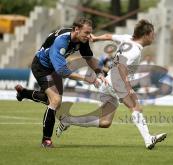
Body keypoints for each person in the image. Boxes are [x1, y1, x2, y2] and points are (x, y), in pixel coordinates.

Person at [56, 19, 167, 150]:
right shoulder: (135, 51)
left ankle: (68, 120)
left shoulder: (127, 38)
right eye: (153, 34)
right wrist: (129, 88)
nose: (154, 37)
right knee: (136, 107)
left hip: (109, 81)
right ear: (146, 34)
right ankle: (149, 139)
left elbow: (109, 36)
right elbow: (121, 67)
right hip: (116, 82)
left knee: (105, 122)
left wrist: (96, 38)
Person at [15, 17, 106, 148]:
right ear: (76, 29)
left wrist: (99, 72)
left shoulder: (82, 39)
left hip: (54, 68)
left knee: (54, 102)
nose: (89, 36)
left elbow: (89, 58)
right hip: (42, 67)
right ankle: (46, 140)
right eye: (86, 33)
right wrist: (86, 78)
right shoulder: (61, 41)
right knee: (55, 100)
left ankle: (24, 93)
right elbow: (63, 71)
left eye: (90, 32)